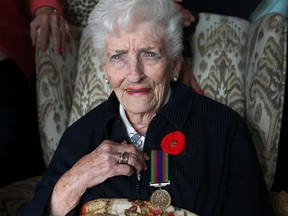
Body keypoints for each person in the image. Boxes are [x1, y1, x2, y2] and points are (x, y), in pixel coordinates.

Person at [17, 0, 273, 215]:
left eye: (149, 54)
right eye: (118, 56)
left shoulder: (223, 128)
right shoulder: (80, 137)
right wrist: (75, 181)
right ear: (105, 69)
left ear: (174, 64)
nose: (134, 73)